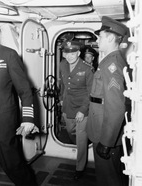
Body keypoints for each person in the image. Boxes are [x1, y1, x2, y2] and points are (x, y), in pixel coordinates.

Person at [86, 16, 129, 186]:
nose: (98, 39)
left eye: (101, 36)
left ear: (111, 38)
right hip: (101, 128)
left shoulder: (112, 66)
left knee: (109, 179)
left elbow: (116, 108)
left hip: (105, 133)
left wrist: (106, 141)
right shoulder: (109, 61)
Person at [0, 28, 39, 186]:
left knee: (11, 163)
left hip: (3, 120)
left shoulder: (8, 55)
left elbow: (24, 89)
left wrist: (28, 118)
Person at [59, 41, 94, 180]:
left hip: (82, 108)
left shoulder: (87, 68)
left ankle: (80, 168)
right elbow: (62, 84)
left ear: (78, 53)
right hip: (68, 106)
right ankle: (83, 145)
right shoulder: (62, 64)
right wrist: (61, 99)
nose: (69, 56)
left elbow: (91, 92)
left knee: (81, 139)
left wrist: (83, 110)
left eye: (73, 53)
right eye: (67, 53)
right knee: (69, 131)